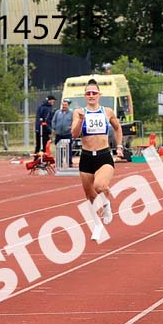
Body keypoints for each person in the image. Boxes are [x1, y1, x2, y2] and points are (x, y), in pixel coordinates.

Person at [70, 79, 123, 242]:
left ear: (99, 95)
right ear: (85, 96)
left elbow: (118, 128)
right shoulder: (78, 112)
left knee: (99, 186)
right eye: (88, 93)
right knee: (91, 197)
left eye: (94, 93)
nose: (91, 95)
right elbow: (74, 134)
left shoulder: (107, 112)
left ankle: (107, 204)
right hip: (86, 157)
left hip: (103, 156)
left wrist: (119, 146)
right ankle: (98, 226)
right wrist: (80, 120)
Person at [52, 99, 74, 167]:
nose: (64, 106)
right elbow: (53, 121)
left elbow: (74, 122)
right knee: (58, 149)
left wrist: (70, 128)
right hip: (59, 134)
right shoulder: (57, 112)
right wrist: (54, 127)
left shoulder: (71, 113)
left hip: (67, 134)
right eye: (63, 105)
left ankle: (69, 162)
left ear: (68, 105)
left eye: (65, 105)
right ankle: (59, 162)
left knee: (68, 149)